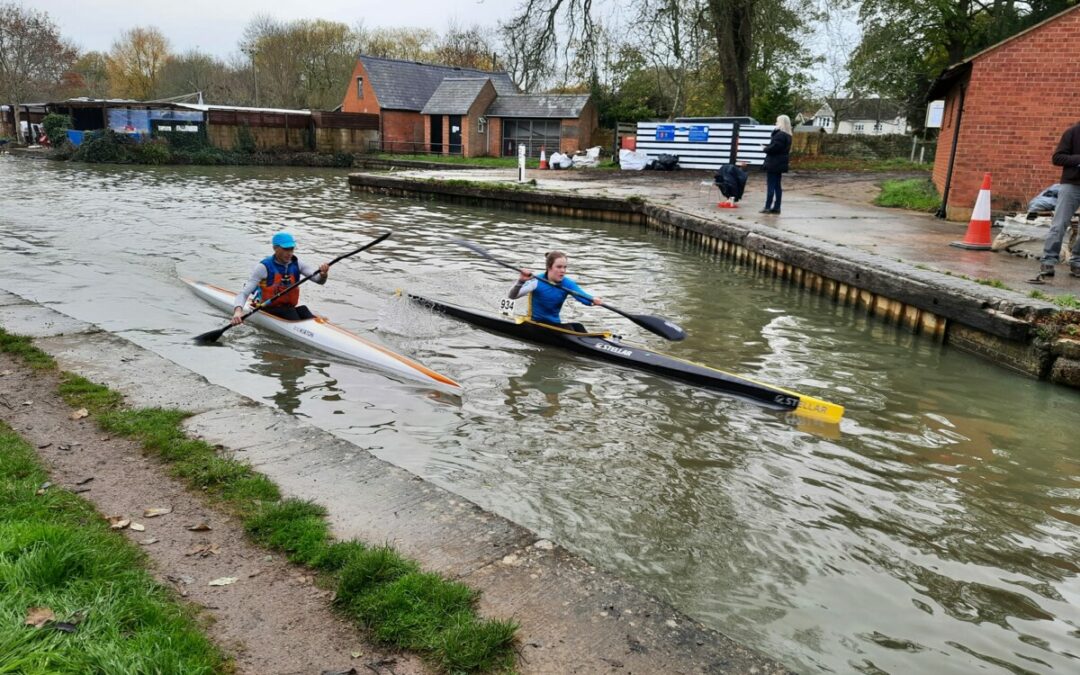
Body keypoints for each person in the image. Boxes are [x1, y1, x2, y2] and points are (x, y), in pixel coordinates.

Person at [231, 231, 330, 324]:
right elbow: (244, 293)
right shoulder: (263, 267)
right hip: (268, 308)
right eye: (286, 249)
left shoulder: (297, 264)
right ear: (275, 248)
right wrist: (238, 311)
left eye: (291, 249)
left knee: (303, 310)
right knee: (290, 312)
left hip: (288, 309)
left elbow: (319, 281)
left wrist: (323, 275)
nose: (290, 253)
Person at [508, 250, 603, 328]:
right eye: (559, 267)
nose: (563, 271)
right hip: (535, 323)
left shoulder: (568, 283)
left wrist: (593, 300)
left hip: (554, 325)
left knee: (578, 327)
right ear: (549, 267)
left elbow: (581, 296)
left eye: (565, 267)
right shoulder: (536, 281)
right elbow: (512, 296)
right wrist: (521, 281)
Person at [1037, 121, 1080, 279]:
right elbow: (1057, 158)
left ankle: (1077, 262)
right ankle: (1048, 260)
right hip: (1072, 185)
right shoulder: (1072, 133)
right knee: (1060, 223)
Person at [760, 114, 793, 215]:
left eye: (777, 121)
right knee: (777, 186)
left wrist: (765, 148)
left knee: (771, 185)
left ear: (781, 123)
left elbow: (774, 148)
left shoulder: (780, 135)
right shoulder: (788, 135)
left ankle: (767, 206)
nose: (775, 123)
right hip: (781, 163)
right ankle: (777, 206)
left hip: (773, 163)